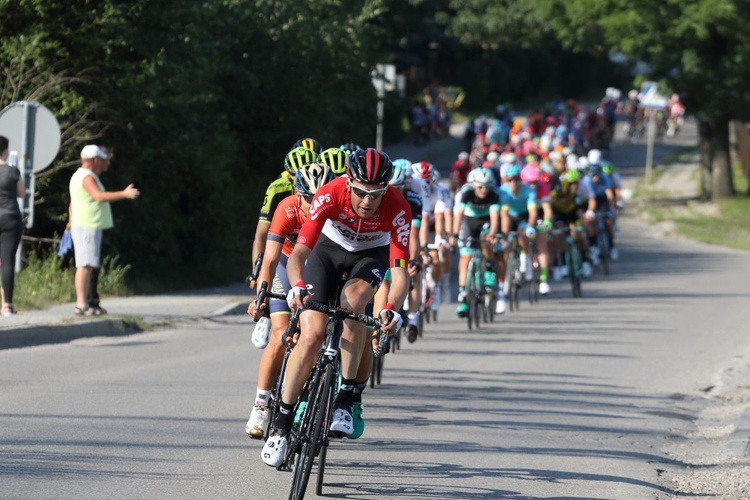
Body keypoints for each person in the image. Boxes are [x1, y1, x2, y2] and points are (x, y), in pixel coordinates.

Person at [262, 148, 411, 467]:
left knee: (354, 304)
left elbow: (399, 272)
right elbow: (299, 253)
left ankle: (345, 397)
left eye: (376, 194)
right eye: (360, 192)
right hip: (326, 252)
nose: (368, 201)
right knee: (312, 333)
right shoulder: (330, 194)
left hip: (370, 256)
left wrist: (392, 307)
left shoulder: (398, 208)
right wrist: (298, 286)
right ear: (349, 183)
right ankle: (281, 426)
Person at [245, 162, 335, 440]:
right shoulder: (286, 208)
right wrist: (261, 294)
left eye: (320, 197)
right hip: (286, 262)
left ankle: (310, 398)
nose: (314, 204)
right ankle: (260, 404)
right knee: (281, 335)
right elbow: (270, 260)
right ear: (298, 194)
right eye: (309, 198)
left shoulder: (334, 213)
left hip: (318, 267)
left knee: (320, 334)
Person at [68, 145, 140, 316]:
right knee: (84, 265)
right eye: (101, 160)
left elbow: (74, 202)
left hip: (87, 225)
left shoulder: (81, 175)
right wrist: (124, 194)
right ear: (94, 160)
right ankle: (80, 304)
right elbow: (98, 196)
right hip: (87, 226)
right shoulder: (87, 177)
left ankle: (83, 302)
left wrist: (71, 218)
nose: (103, 163)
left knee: (88, 265)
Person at [0, 136, 25, 316]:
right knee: (7, 262)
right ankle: (7, 305)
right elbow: (21, 193)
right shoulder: (13, 171)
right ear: (6, 152)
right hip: (10, 217)